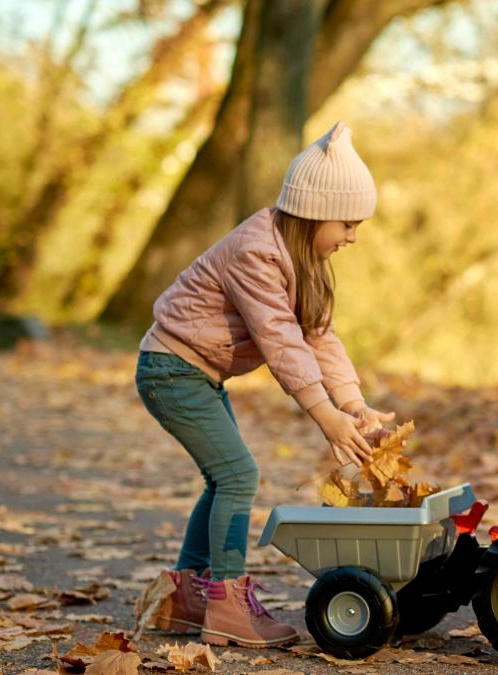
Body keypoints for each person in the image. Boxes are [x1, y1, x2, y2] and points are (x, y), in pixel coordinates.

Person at [134, 121, 394, 648]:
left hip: (195, 373)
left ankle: (187, 598)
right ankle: (227, 603)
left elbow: (318, 336)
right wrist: (323, 414)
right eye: (347, 223)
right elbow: (280, 340)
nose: (352, 236)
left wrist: (352, 404)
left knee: (222, 478)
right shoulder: (256, 251)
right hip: (171, 369)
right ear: (314, 212)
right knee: (237, 476)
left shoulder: (305, 261)